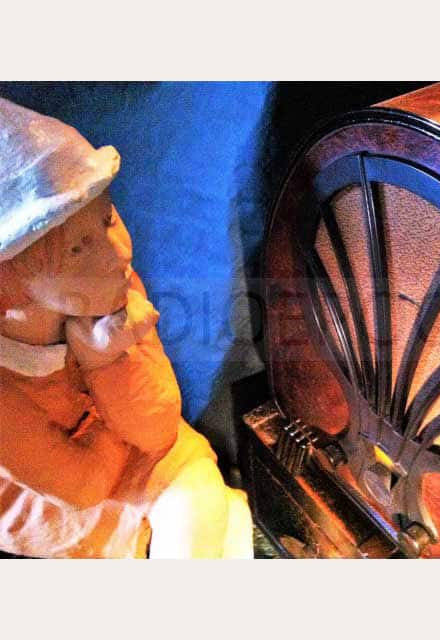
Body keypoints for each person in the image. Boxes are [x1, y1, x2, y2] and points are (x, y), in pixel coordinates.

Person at [0, 97, 253, 558]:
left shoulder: (110, 290)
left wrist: (108, 361)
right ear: (8, 288)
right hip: (52, 501)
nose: (117, 253)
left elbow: (158, 428)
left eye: (109, 219)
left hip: (135, 451)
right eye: (78, 249)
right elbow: (81, 486)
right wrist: (115, 428)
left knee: (197, 495)